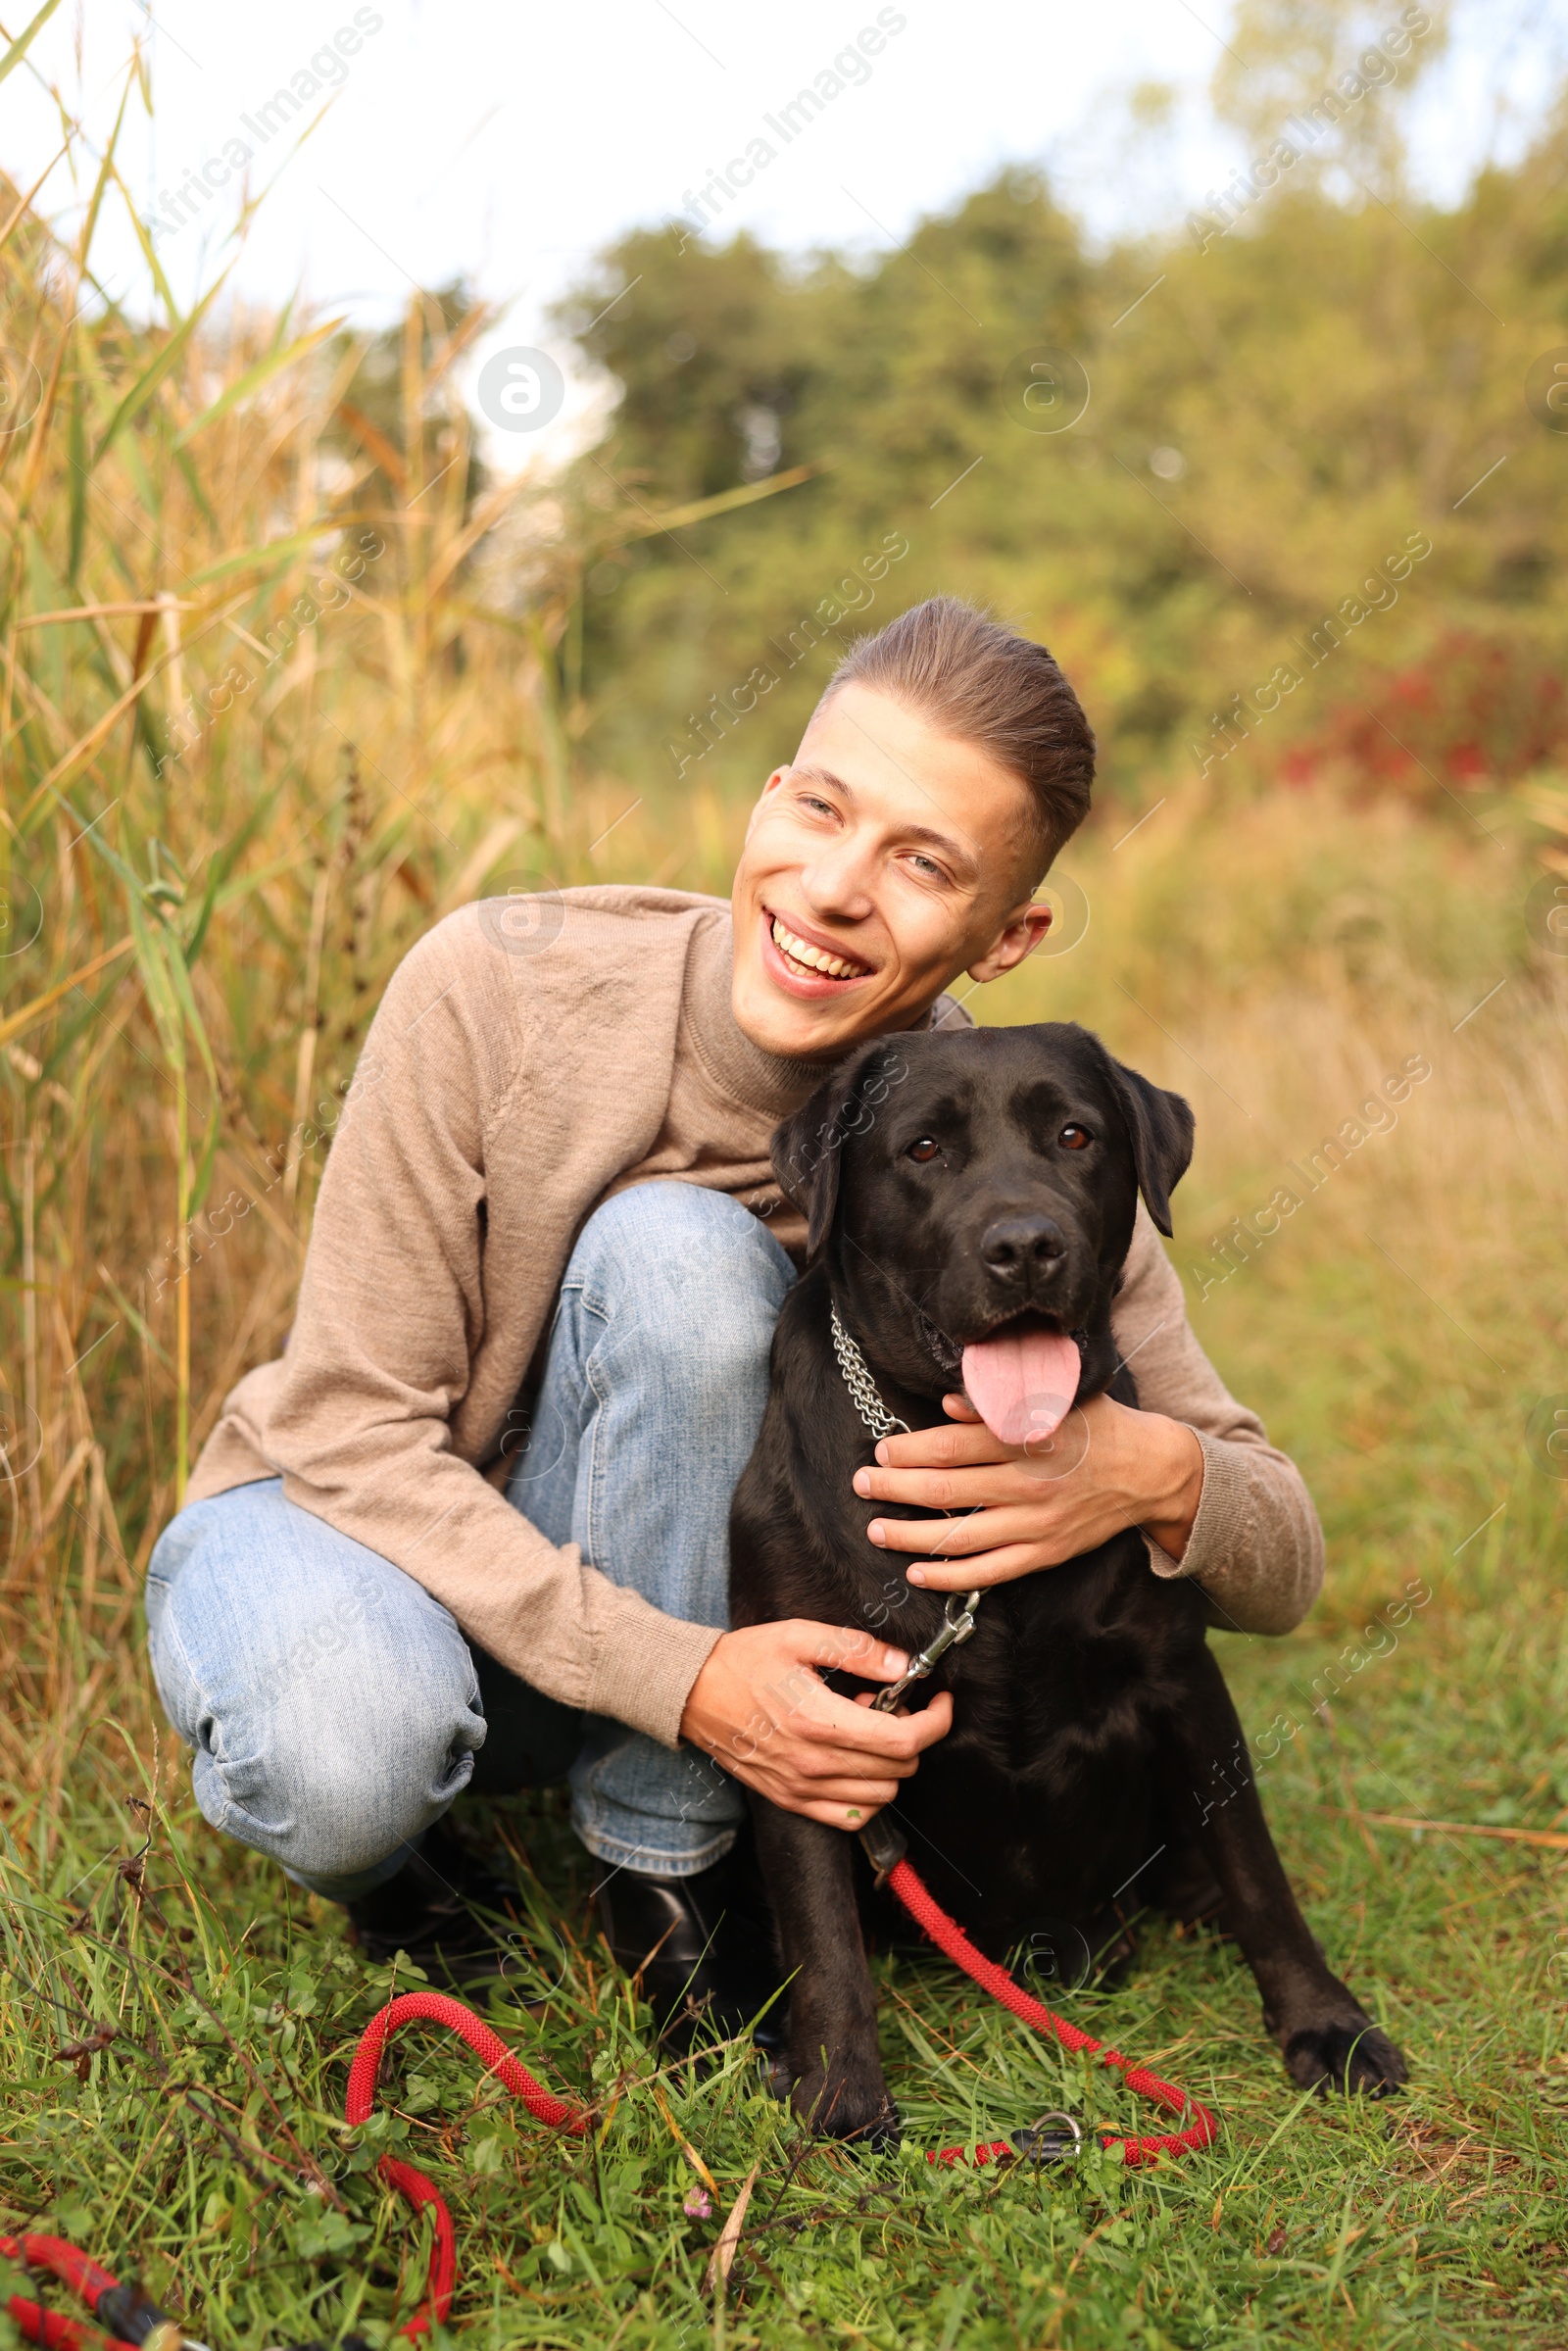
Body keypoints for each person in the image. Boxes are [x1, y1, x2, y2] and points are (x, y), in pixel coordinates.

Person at [145, 598, 1323, 2040]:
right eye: (822, 807)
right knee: (347, 1753)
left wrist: (1154, 1471)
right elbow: (348, 1428)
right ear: (769, 796)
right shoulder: (498, 988)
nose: (833, 888)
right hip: (340, 1516)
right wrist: (687, 1680)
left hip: (587, 1598)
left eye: (922, 863)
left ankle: (664, 1883)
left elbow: (1283, 1561)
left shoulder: (1019, 1149)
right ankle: (405, 1862)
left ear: (1006, 935)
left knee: (679, 1261)